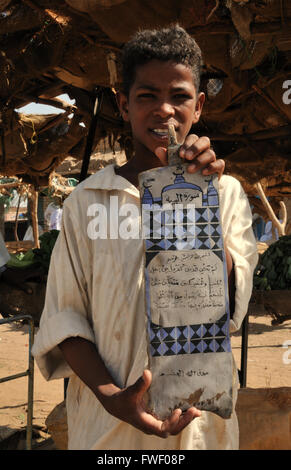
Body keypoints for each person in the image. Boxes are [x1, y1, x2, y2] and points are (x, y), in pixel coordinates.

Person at [31, 25, 258, 450]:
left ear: (199, 104)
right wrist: (113, 398)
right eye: (147, 96)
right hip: (108, 429)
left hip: (199, 428)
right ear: (124, 104)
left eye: (179, 96)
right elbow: (66, 316)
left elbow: (230, 299)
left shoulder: (223, 192)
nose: (164, 110)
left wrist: (196, 200)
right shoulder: (88, 201)